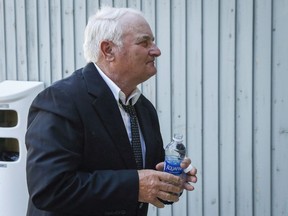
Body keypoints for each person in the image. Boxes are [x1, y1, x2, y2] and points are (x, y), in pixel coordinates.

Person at [25, 6, 197, 216]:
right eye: (144, 42)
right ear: (108, 50)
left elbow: (147, 183)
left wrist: (170, 179)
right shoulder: (61, 100)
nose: (156, 50)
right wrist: (136, 186)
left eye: (153, 41)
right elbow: (49, 189)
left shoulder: (143, 108)